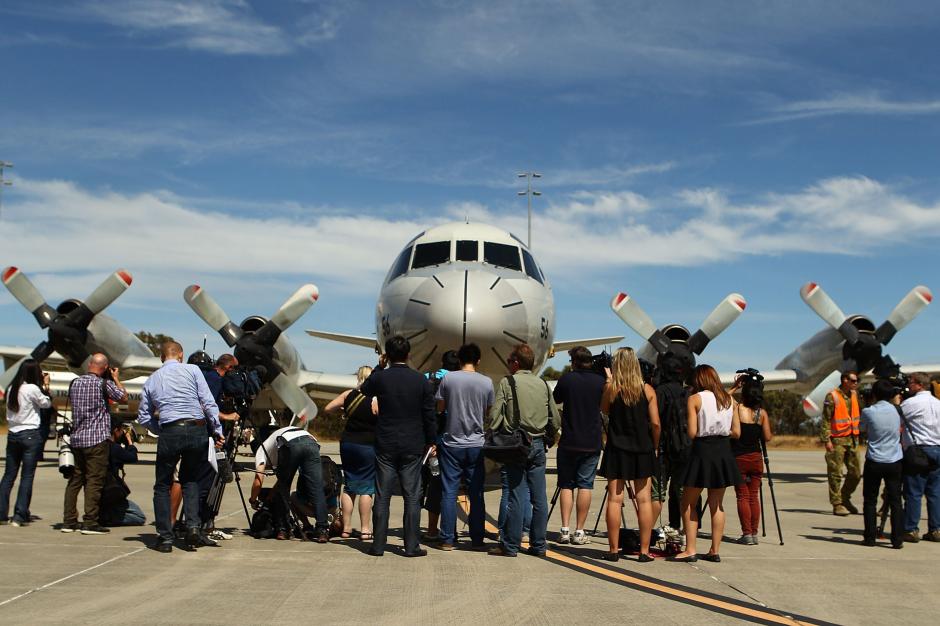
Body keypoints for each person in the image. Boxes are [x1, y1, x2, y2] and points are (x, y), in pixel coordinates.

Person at [138, 341, 223, 553]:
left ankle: (165, 537)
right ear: (181, 355)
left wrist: (159, 430)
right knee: (191, 479)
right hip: (196, 429)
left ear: (161, 358)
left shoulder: (152, 379)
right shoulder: (193, 370)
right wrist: (218, 430)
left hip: (170, 430)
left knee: (162, 484)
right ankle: (193, 527)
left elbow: (143, 416)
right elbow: (208, 402)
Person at [359, 335, 437, 557]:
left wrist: (378, 367)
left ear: (388, 356)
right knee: (412, 496)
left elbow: (364, 389)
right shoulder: (421, 380)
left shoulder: (381, 378)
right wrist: (432, 440)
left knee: (382, 496)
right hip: (413, 443)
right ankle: (411, 546)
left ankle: (378, 545)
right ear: (408, 354)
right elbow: (429, 414)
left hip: (386, 442)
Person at [488, 343, 561, 558]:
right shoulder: (542, 383)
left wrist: (492, 434)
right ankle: (539, 545)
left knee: (516, 495)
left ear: (516, 363)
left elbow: (495, 416)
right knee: (539, 498)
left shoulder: (507, 382)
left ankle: (510, 545)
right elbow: (554, 418)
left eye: (510, 361)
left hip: (516, 444)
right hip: (538, 444)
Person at [671, 364, 741, 563]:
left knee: (688, 502)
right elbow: (737, 432)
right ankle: (714, 550)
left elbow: (692, 432)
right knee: (716, 503)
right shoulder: (729, 400)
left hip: (702, 451)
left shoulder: (695, 399)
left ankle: (690, 549)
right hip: (723, 452)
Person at [597, 347, 660, 562]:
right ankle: (643, 551)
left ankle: (613, 550)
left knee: (615, 500)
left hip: (617, 449)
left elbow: (604, 410)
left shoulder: (611, 389)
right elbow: (655, 423)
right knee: (644, 500)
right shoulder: (648, 390)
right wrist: (655, 445)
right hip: (642, 449)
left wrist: (609, 382)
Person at [435, 343, 494, 550]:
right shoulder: (487, 382)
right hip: (476, 444)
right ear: (478, 360)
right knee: (476, 493)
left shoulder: (448, 379)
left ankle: (447, 539)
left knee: (449, 492)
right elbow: (488, 411)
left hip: (452, 442)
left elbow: (440, 407)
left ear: (459, 360)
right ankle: (477, 539)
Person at [63, 353, 128, 535]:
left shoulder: (74, 383)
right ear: (105, 367)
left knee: (75, 480)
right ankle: (90, 521)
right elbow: (123, 398)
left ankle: (69, 520)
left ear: (90, 364)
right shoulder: (102, 384)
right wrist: (116, 378)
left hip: (76, 439)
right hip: (96, 439)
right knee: (94, 481)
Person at [552, 346, 605, 546]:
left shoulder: (567, 379)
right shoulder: (600, 382)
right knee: (585, 485)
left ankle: (564, 529)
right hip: (591, 442)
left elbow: (556, 399)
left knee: (566, 484)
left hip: (569, 440)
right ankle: (579, 530)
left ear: (574, 361)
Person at [249, 425, 331, 543]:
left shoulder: (261, 450)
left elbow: (258, 479)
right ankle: (322, 530)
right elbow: (281, 480)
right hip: (310, 442)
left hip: (290, 444)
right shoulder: (274, 442)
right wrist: (271, 494)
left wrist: (252, 499)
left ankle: (283, 529)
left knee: (284, 491)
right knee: (317, 489)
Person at [324, 365, 378, 540]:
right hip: (368, 444)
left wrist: (345, 410)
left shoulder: (348, 395)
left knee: (350, 485)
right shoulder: (376, 399)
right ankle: (365, 529)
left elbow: (328, 408)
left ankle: (346, 528)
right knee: (367, 488)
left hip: (348, 442)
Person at [0, 359, 51, 527]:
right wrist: (46, 387)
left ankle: (1, 513)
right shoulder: (33, 388)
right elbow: (46, 403)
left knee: (8, 476)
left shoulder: (12, 389)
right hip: (30, 433)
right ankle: (20, 515)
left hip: (13, 433)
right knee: (27, 476)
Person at [650, 354, 693, 537]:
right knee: (682, 492)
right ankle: (684, 529)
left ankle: (648, 531)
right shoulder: (688, 393)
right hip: (685, 448)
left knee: (658, 492)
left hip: (665, 449)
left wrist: (655, 445)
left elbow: (655, 422)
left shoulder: (660, 392)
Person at [859, 379, 904, 548]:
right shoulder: (897, 410)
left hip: (874, 459)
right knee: (895, 500)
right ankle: (897, 539)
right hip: (894, 460)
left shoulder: (868, 411)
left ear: (874, 394)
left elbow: (862, 429)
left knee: (870, 500)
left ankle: (870, 537)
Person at [731, 372, 773, 545]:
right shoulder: (761, 413)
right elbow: (768, 437)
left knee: (742, 496)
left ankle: (746, 533)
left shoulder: (737, 408)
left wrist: (735, 387)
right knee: (753, 496)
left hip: (739, 458)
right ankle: (754, 533)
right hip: (756, 458)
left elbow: (724, 398)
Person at [422, 350, 459, 540]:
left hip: (430, 441)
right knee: (451, 487)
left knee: (433, 485)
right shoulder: (460, 381)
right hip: (454, 440)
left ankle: (431, 529)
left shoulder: (427, 377)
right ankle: (450, 530)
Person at [900, 372, 940, 543]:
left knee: (914, 492)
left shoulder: (910, 403)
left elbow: (896, 419)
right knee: (935, 493)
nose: (909, 385)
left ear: (919, 385)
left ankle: (910, 529)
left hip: (918, 451)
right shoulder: (938, 403)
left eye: (911, 382)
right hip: (937, 449)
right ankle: (936, 529)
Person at [821, 371, 862, 516]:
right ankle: (837, 504)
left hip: (853, 440)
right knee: (835, 473)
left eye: (857, 380)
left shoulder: (855, 395)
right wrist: (827, 440)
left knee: (856, 474)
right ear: (844, 380)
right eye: (853, 380)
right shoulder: (832, 396)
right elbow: (826, 419)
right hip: (837, 440)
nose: (856, 383)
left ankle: (845, 497)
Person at [98, 420, 146, 527]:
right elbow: (133, 457)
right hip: (111, 493)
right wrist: (129, 441)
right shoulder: (114, 448)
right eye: (121, 430)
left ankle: (103, 514)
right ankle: (106, 517)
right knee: (139, 517)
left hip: (99, 492)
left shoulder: (100, 445)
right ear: (116, 430)